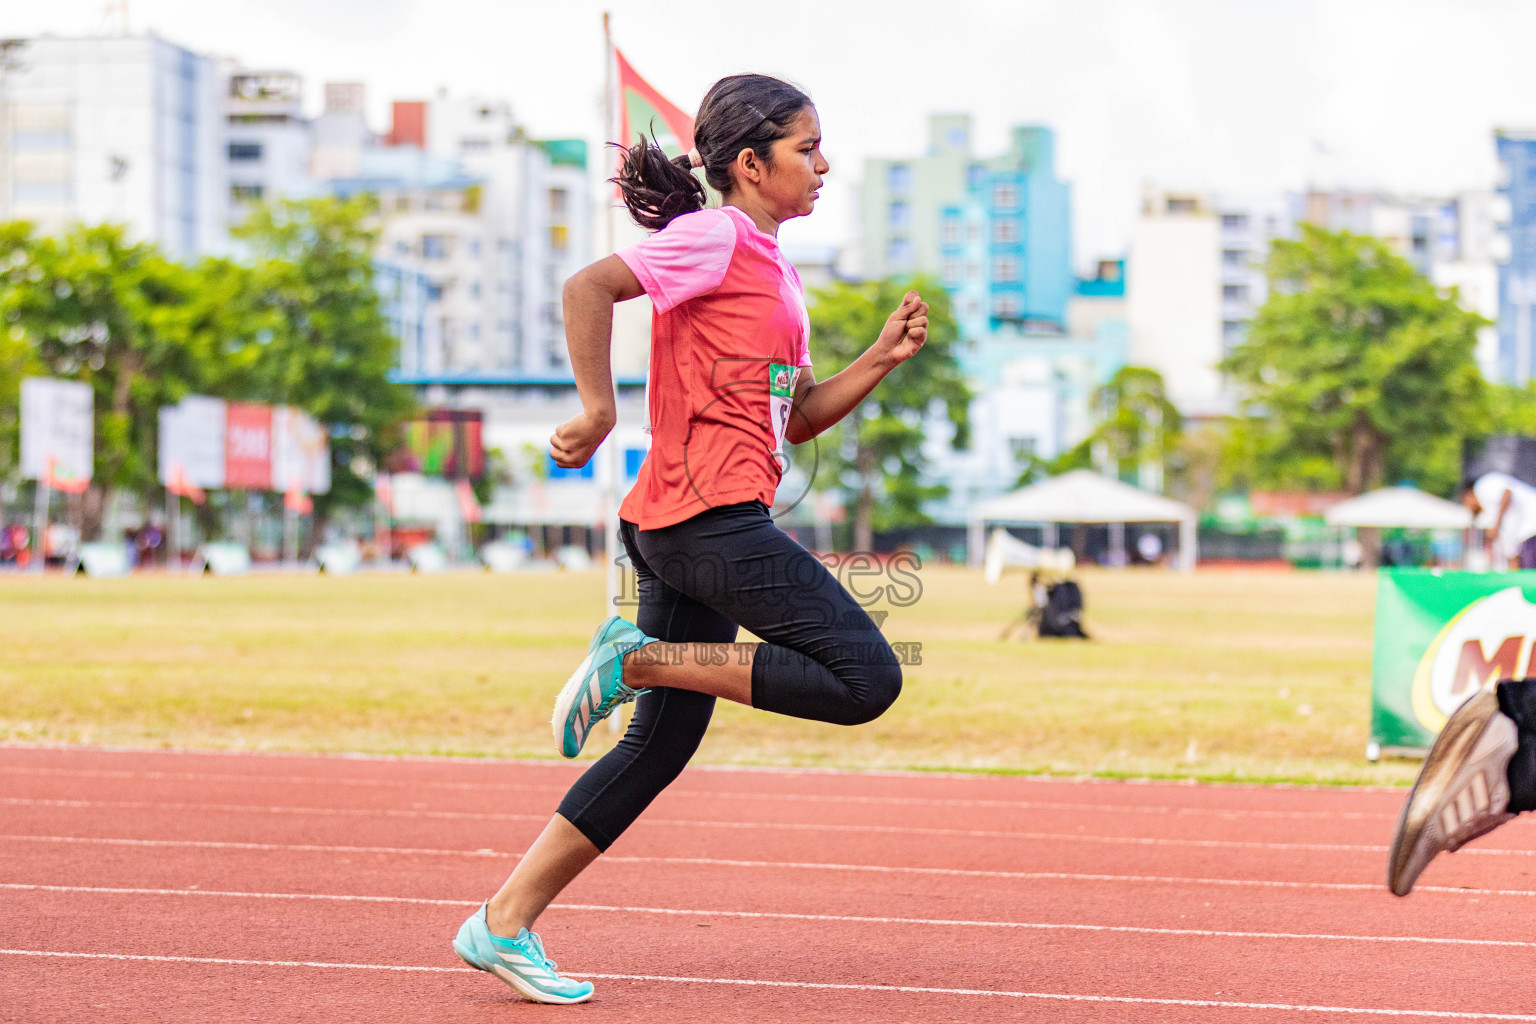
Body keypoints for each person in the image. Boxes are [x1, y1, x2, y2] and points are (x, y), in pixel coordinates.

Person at [451, 74, 928, 1005]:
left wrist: (876, 359)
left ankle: (500, 922)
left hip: (688, 521)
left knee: (657, 750)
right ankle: (641, 659)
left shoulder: (771, 266)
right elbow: (591, 285)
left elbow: (793, 425)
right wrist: (599, 410)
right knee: (866, 678)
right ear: (751, 164)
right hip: (702, 520)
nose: (823, 165)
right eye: (806, 147)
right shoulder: (712, 236)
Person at [1460, 471, 1536, 569]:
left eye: (1465, 503)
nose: (1469, 508)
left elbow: (1507, 493)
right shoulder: (1492, 510)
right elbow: (1511, 550)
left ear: (1468, 495)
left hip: (1532, 529)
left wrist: (1496, 525)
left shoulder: (1482, 486)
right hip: (1528, 535)